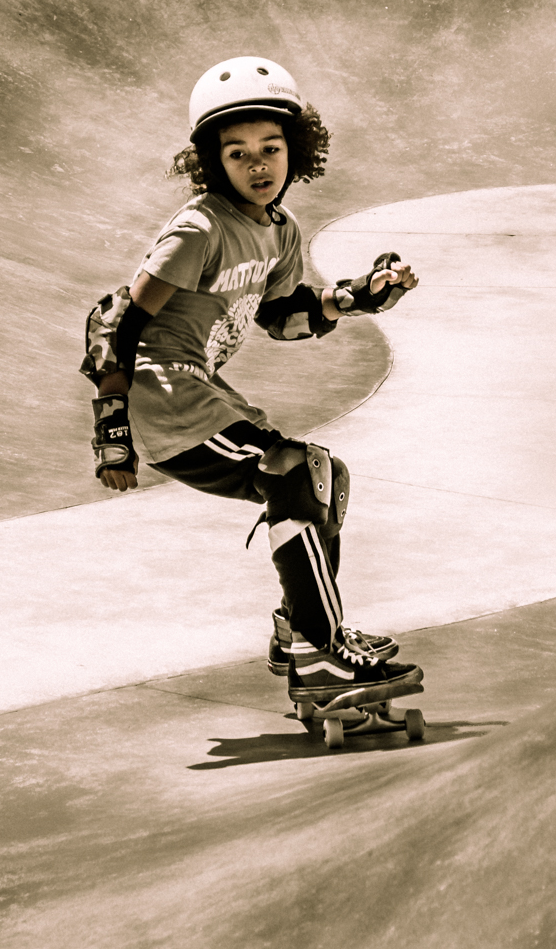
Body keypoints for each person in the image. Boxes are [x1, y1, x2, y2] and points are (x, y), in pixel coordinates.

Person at [79, 55, 422, 709]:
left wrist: (359, 297)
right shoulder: (200, 228)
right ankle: (319, 653)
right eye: (237, 154)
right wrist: (113, 431)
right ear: (213, 163)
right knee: (288, 468)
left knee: (324, 475)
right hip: (164, 402)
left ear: (298, 151)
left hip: (206, 398)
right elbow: (115, 319)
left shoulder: (279, 232)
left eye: (270, 149)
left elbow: (285, 318)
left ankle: (302, 634)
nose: (258, 165)